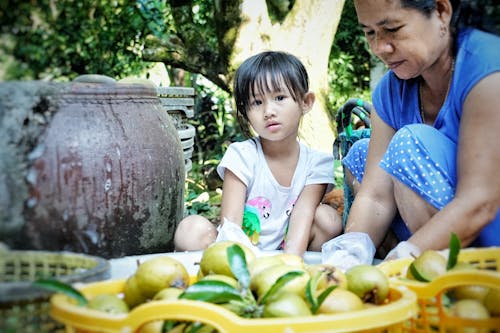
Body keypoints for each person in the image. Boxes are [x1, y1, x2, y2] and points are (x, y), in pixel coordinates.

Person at [323, 0, 500, 269]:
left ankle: (446, 272)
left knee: (409, 143)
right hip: (431, 214)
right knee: (361, 153)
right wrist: (350, 251)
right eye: (370, 32)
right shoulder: (390, 92)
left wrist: (407, 256)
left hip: (486, 235)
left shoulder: (487, 67)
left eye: (392, 28)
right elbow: (374, 194)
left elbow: (480, 200)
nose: (379, 48)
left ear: (441, 11)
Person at [174, 51, 343, 257]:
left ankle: (304, 265)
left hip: (289, 248)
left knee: (329, 219)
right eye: (257, 102)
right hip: (238, 250)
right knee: (190, 230)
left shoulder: (316, 163)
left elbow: (303, 214)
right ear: (245, 112)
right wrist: (242, 264)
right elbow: (231, 223)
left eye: (280, 97)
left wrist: (290, 263)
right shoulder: (242, 155)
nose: (269, 111)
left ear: (305, 102)